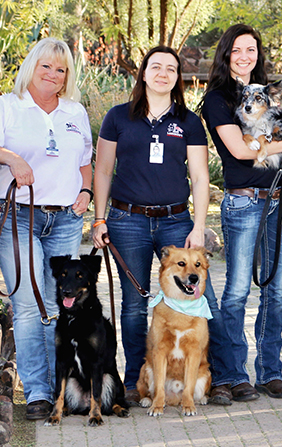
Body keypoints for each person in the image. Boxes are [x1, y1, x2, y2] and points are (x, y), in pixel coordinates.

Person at [91, 46, 230, 405]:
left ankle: (214, 377)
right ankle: (139, 382)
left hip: (175, 220)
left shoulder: (188, 121)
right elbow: (103, 170)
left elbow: (199, 178)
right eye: (156, 67)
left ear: (177, 78)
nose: (163, 73)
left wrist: (199, 226)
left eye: (171, 69)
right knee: (135, 305)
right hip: (127, 220)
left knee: (201, 298)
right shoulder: (118, 117)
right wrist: (99, 218)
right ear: (143, 73)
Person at [0, 38, 93, 420]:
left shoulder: (75, 111)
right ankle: (36, 393)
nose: (53, 75)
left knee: (59, 303)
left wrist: (86, 191)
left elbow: (84, 160)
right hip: (19, 217)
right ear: (32, 66)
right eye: (46, 67)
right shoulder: (7, 105)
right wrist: (11, 158)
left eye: (61, 70)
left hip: (66, 218)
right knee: (26, 304)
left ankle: (61, 389)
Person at [200, 24, 282, 402]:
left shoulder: (268, 97)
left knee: (276, 290)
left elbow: (280, 138)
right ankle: (233, 373)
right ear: (226, 54)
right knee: (236, 292)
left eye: (251, 50)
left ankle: (271, 372)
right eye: (237, 50)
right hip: (244, 202)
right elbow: (242, 151)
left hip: (280, 199)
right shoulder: (217, 99)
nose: (245, 56)